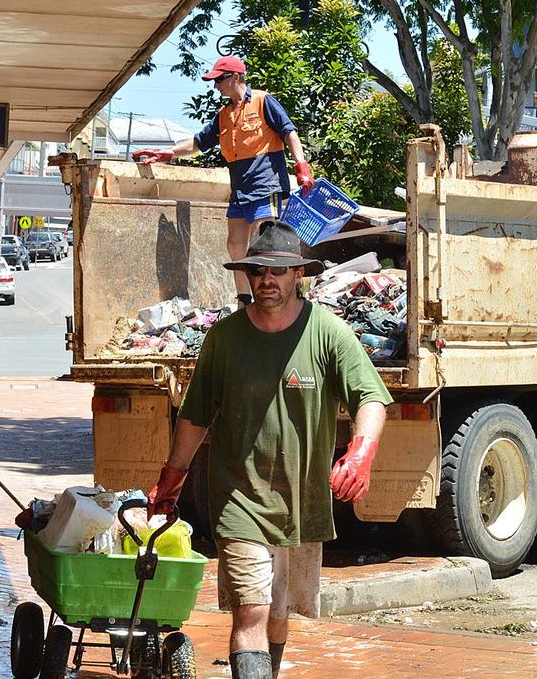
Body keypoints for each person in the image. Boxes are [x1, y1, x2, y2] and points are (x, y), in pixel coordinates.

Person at [147, 221, 391, 679]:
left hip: (302, 503)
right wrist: (172, 479)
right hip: (238, 498)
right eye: (257, 270)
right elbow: (195, 416)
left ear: (298, 273)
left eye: (277, 272)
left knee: (279, 613)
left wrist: (361, 451)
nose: (266, 280)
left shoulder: (328, 333)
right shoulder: (225, 338)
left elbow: (371, 398)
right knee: (252, 613)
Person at [132, 55, 315, 308]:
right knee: (235, 245)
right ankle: (244, 301)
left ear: (236, 77)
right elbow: (199, 142)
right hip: (240, 190)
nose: (215, 85)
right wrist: (168, 153)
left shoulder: (263, 101)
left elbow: (289, 132)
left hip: (266, 186)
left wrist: (301, 166)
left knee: (263, 245)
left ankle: (275, 299)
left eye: (219, 79)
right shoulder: (224, 114)